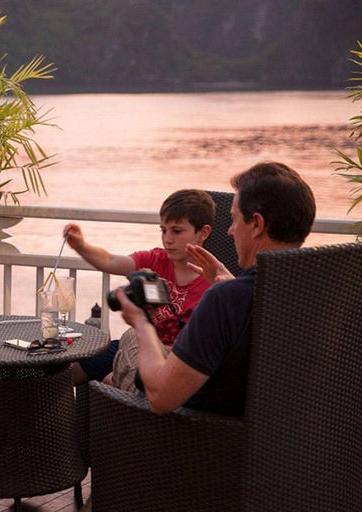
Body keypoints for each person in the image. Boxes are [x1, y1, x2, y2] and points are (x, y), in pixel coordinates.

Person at [117, 161, 315, 416]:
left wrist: (141, 321)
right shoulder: (315, 290)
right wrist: (232, 285)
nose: (231, 232)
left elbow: (159, 398)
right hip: (281, 436)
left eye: (233, 219)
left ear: (256, 224)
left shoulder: (226, 299)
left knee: (127, 345)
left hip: (195, 435)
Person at [64, 189, 216, 388]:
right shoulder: (155, 260)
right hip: (140, 343)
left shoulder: (214, 281)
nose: (167, 239)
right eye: (163, 230)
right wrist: (81, 246)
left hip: (172, 361)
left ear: (203, 233)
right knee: (70, 372)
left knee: (113, 376)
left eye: (176, 231)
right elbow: (109, 261)